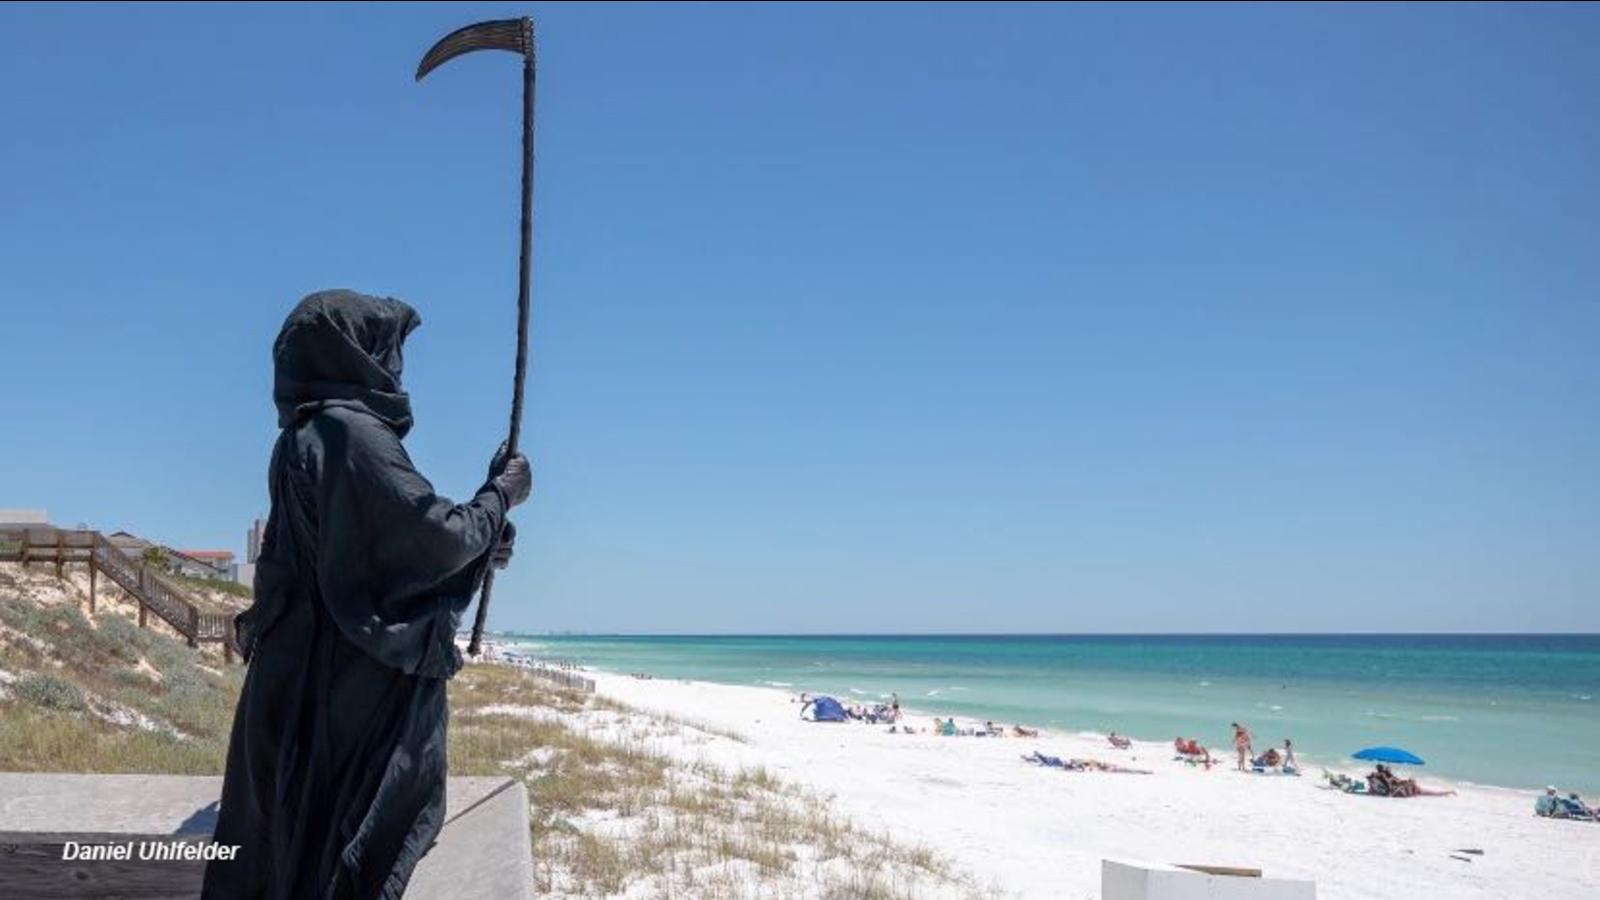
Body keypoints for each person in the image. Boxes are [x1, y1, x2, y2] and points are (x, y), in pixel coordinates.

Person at [204, 291, 532, 900]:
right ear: (356, 355)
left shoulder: (305, 432)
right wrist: (499, 499)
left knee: (289, 847)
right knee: (343, 850)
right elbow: (430, 539)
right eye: (386, 350)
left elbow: (363, 552)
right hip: (343, 686)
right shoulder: (351, 434)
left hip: (297, 673)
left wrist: (481, 542)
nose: (395, 367)